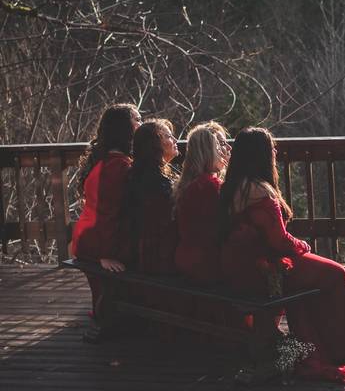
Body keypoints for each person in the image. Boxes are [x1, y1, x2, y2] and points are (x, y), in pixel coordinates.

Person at [218, 127, 345, 384]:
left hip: (246, 263)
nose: (275, 152)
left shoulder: (234, 186)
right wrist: (302, 246)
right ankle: (339, 348)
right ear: (261, 154)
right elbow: (279, 240)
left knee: (317, 277)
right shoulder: (259, 190)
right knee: (335, 273)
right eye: (271, 148)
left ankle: (316, 342)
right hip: (267, 266)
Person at [70, 103, 142, 331]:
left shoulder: (107, 162)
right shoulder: (116, 168)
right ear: (125, 129)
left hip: (89, 237)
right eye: (137, 120)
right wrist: (103, 255)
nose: (141, 124)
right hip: (95, 242)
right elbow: (106, 216)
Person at [175, 122, 230, 284]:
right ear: (207, 153)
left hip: (186, 256)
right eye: (218, 148)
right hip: (207, 261)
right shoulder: (210, 186)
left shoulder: (187, 183)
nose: (223, 152)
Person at [125, 119, 179, 275]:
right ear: (155, 144)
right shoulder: (155, 183)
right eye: (169, 137)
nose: (175, 140)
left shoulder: (138, 174)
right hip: (157, 260)